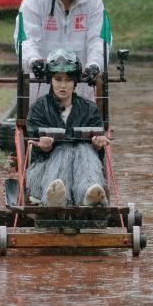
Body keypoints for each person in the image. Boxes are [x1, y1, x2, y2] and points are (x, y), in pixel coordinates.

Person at [13, 0, 110, 103]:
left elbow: (99, 39)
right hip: (42, 88)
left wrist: (95, 65)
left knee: (86, 124)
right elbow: (25, 37)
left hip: (82, 88)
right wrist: (33, 61)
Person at [25, 49, 110, 207]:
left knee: (83, 150)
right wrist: (42, 146)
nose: (63, 85)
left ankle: (89, 192)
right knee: (62, 151)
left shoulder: (90, 109)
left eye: (68, 80)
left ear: (75, 82)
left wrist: (98, 146)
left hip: (83, 167)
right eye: (58, 79)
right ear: (51, 80)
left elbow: (99, 154)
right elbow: (32, 149)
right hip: (46, 168)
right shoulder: (38, 108)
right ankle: (55, 195)